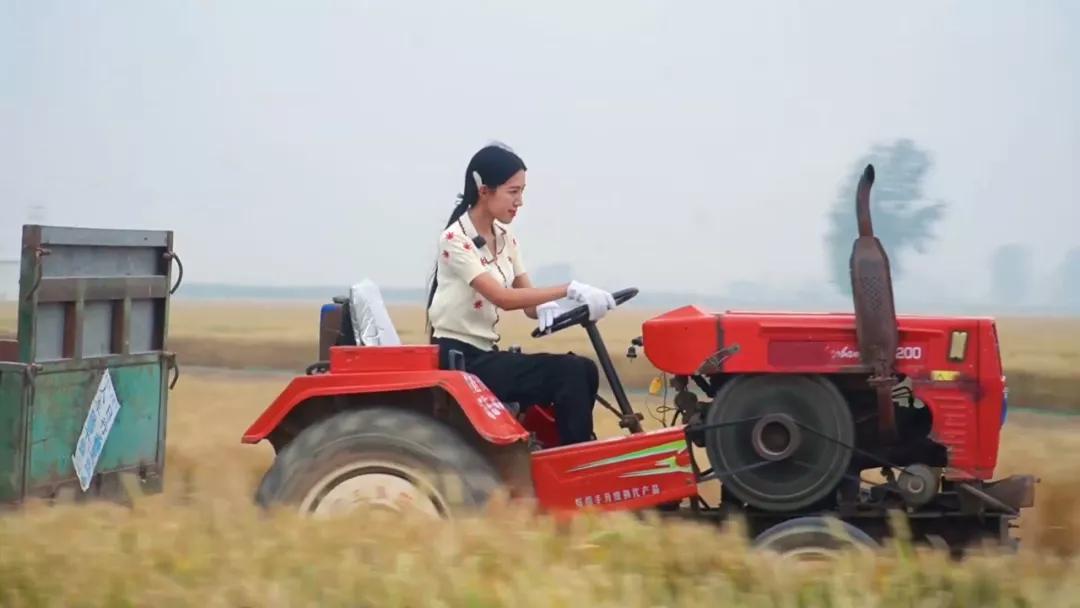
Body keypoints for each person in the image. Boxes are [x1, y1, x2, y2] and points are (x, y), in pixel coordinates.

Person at [425, 143, 616, 445]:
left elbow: (527, 302)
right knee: (568, 374)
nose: (520, 201)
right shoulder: (454, 240)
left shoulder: (505, 238)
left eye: (522, 192)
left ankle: (569, 449)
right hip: (462, 360)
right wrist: (570, 288)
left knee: (585, 369)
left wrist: (552, 306)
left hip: (486, 353)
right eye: (513, 192)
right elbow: (502, 297)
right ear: (484, 190)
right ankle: (573, 466)